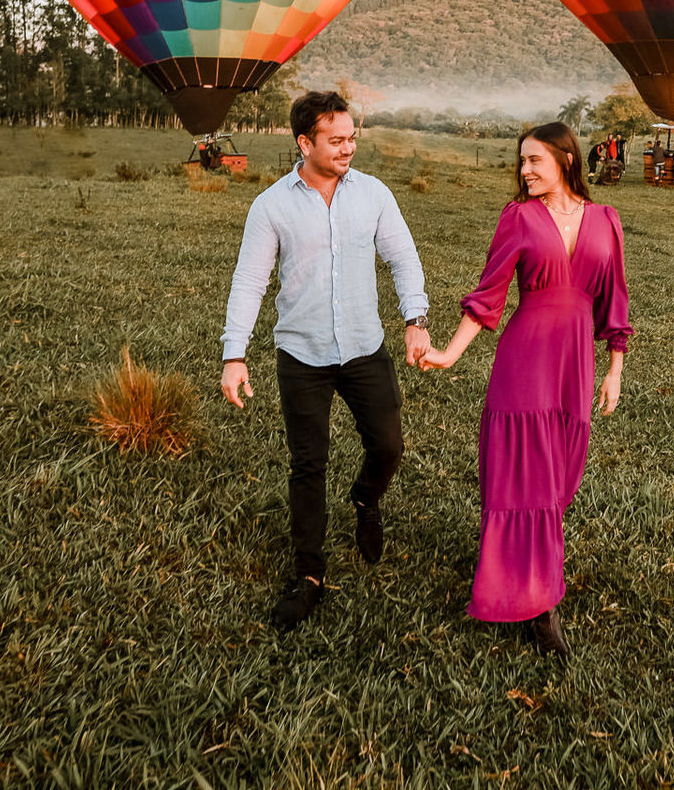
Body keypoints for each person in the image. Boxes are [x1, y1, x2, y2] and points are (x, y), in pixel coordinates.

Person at [220, 90, 431, 631]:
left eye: (352, 137)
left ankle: (365, 499)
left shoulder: (374, 194)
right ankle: (309, 575)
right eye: (335, 140)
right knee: (307, 466)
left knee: (388, 445)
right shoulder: (271, 206)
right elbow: (249, 282)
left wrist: (415, 320)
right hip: (301, 353)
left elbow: (402, 258)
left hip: (364, 347)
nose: (348, 148)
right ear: (303, 142)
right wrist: (234, 354)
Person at [419, 122, 631, 660]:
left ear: (565, 158)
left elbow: (614, 300)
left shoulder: (607, 220)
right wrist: (450, 351)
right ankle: (539, 605)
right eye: (521, 162)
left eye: (534, 160)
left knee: (558, 480)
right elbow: (487, 296)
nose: (525, 171)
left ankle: (531, 582)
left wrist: (614, 369)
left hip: (575, 365)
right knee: (524, 480)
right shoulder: (517, 217)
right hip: (525, 360)